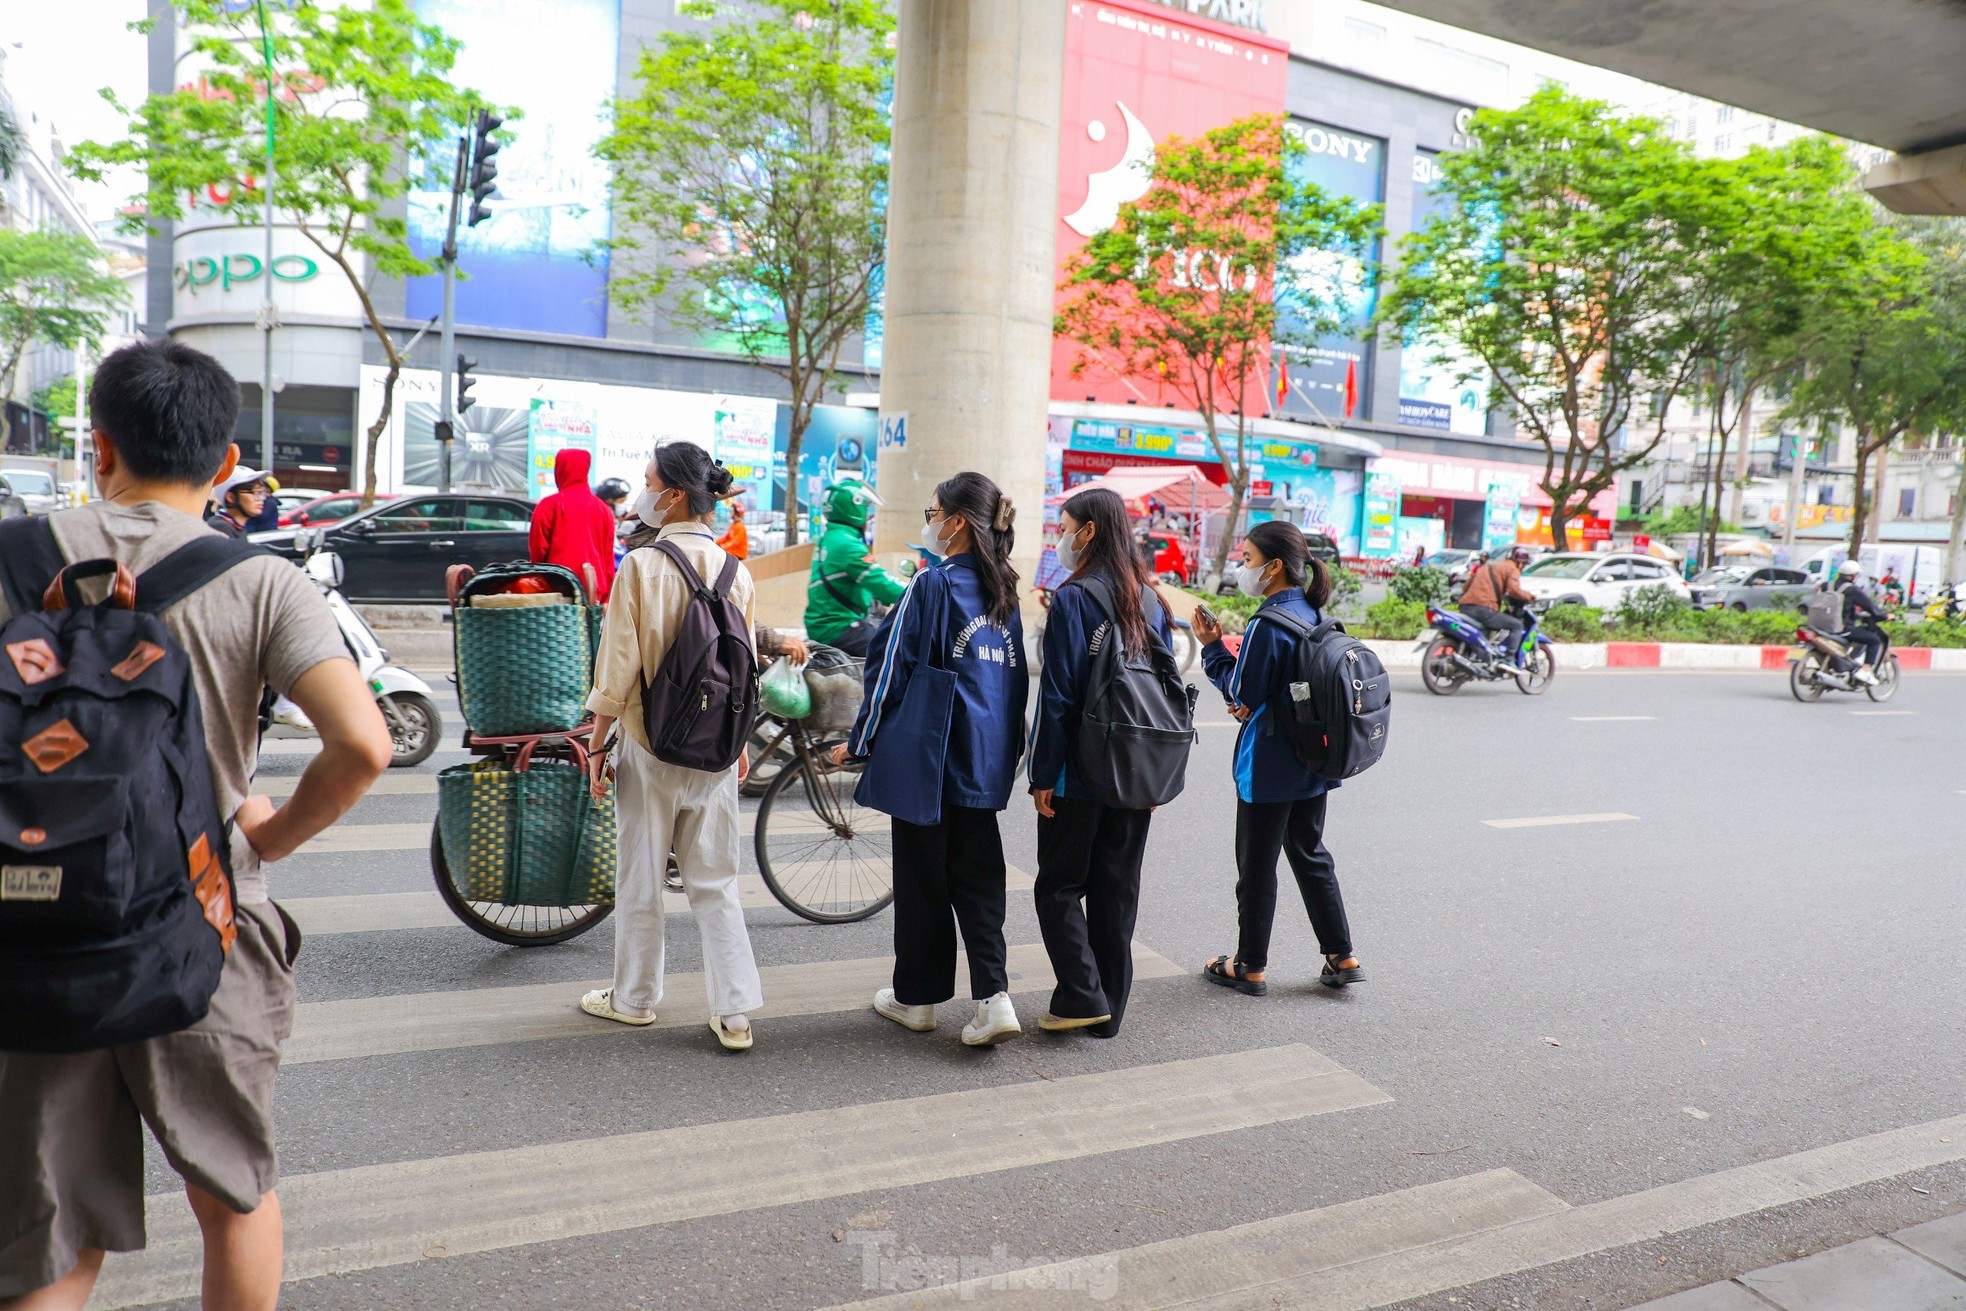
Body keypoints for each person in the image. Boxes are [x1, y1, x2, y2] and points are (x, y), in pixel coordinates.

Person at [0, 338, 391, 1311]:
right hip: (204, 926)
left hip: (35, 924)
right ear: (223, 466)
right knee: (234, 1198)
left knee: (47, 1231)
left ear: (98, 447)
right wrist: (267, 835)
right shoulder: (264, 583)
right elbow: (364, 745)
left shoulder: (9, 561)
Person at [833, 472, 1029, 1047]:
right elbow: (1015, 686)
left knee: (922, 880)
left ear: (958, 522)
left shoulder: (932, 584)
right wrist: (1007, 759)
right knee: (979, 883)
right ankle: (994, 999)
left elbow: (889, 665)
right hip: (984, 761)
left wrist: (862, 740)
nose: (930, 520)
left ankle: (917, 1001)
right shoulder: (1005, 593)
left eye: (933, 510)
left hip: (931, 758)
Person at [580, 442, 764, 1051]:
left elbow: (618, 670)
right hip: (716, 750)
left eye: (650, 480)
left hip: (649, 745)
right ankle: (735, 1012)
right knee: (715, 882)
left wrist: (597, 744)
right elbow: (746, 669)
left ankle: (634, 999)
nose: (643, 491)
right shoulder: (737, 571)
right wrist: (737, 745)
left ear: (676, 494)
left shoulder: (640, 566)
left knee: (641, 876)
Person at [1191, 520, 1362, 996]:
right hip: (1313, 757)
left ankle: (1249, 966)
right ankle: (1341, 954)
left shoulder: (1267, 622)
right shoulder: (1312, 611)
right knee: (1310, 854)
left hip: (1269, 763)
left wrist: (1211, 648)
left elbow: (1242, 691)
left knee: (1257, 865)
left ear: (1274, 567)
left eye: (1246, 560)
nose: (1241, 568)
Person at [1027, 488, 1173, 1039]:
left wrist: (1043, 775)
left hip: (1082, 773)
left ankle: (1083, 995)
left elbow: (1058, 698)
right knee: (1116, 888)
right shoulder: (1153, 600)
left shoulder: (1074, 599)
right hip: (1137, 767)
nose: (1059, 537)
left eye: (1064, 526)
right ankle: (1104, 1009)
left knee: (1058, 887)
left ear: (1087, 532)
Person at [808, 478, 907, 657]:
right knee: (901, 650)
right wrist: (920, 593)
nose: (868, 518)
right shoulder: (848, 545)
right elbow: (883, 582)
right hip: (839, 627)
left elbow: (851, 581)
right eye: (866, 509)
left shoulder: (830, 538)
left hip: (825, 623)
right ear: (854, 509)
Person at [528, 448, 618, 603]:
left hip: (556, 591)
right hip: (593, 592)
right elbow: (608, 558)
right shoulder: (604, 510)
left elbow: (538, 553)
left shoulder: (548, 505)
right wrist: (606, 598)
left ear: (559, 469)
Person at [1456, 545, 1536, 665]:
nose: (1523, 568)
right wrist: (1530, 596)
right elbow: (1513, 590)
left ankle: (1481, 657)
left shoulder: (1487, 566)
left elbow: (1466, 586)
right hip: (1483, 610)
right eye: (1524, 564)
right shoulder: (1512, 569)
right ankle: (1509, 660)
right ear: (1519, 563)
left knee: (1487, 628)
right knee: (1517, 625)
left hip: (1465, 607)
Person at [1831, 558, 1889, 684]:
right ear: (1852, 576)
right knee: (1874, 640)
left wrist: (1856, 615)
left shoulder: (1828, 585)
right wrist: (1885, 616)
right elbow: (1870, 607)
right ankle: (1865, 671)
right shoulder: (1852, 590)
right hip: (1842, 628)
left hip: (1823, 626)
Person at [205, 466, 271, 539]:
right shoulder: (221, 528)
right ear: (231, 498)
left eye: (261, 493)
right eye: (255, 492)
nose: (260, 498)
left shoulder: (236, 527)